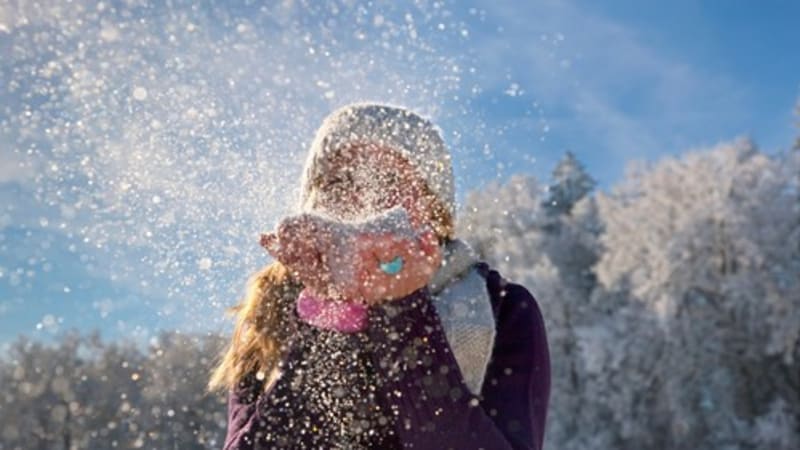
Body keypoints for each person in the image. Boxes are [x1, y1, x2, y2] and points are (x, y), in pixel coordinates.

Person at [208, 103, 551, 449]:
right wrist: (330, 311)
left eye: (386, 180)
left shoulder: (501, 307)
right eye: (339, 180)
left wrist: (402, 307)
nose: (361, 196)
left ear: (433, 210)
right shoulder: (273, 310)